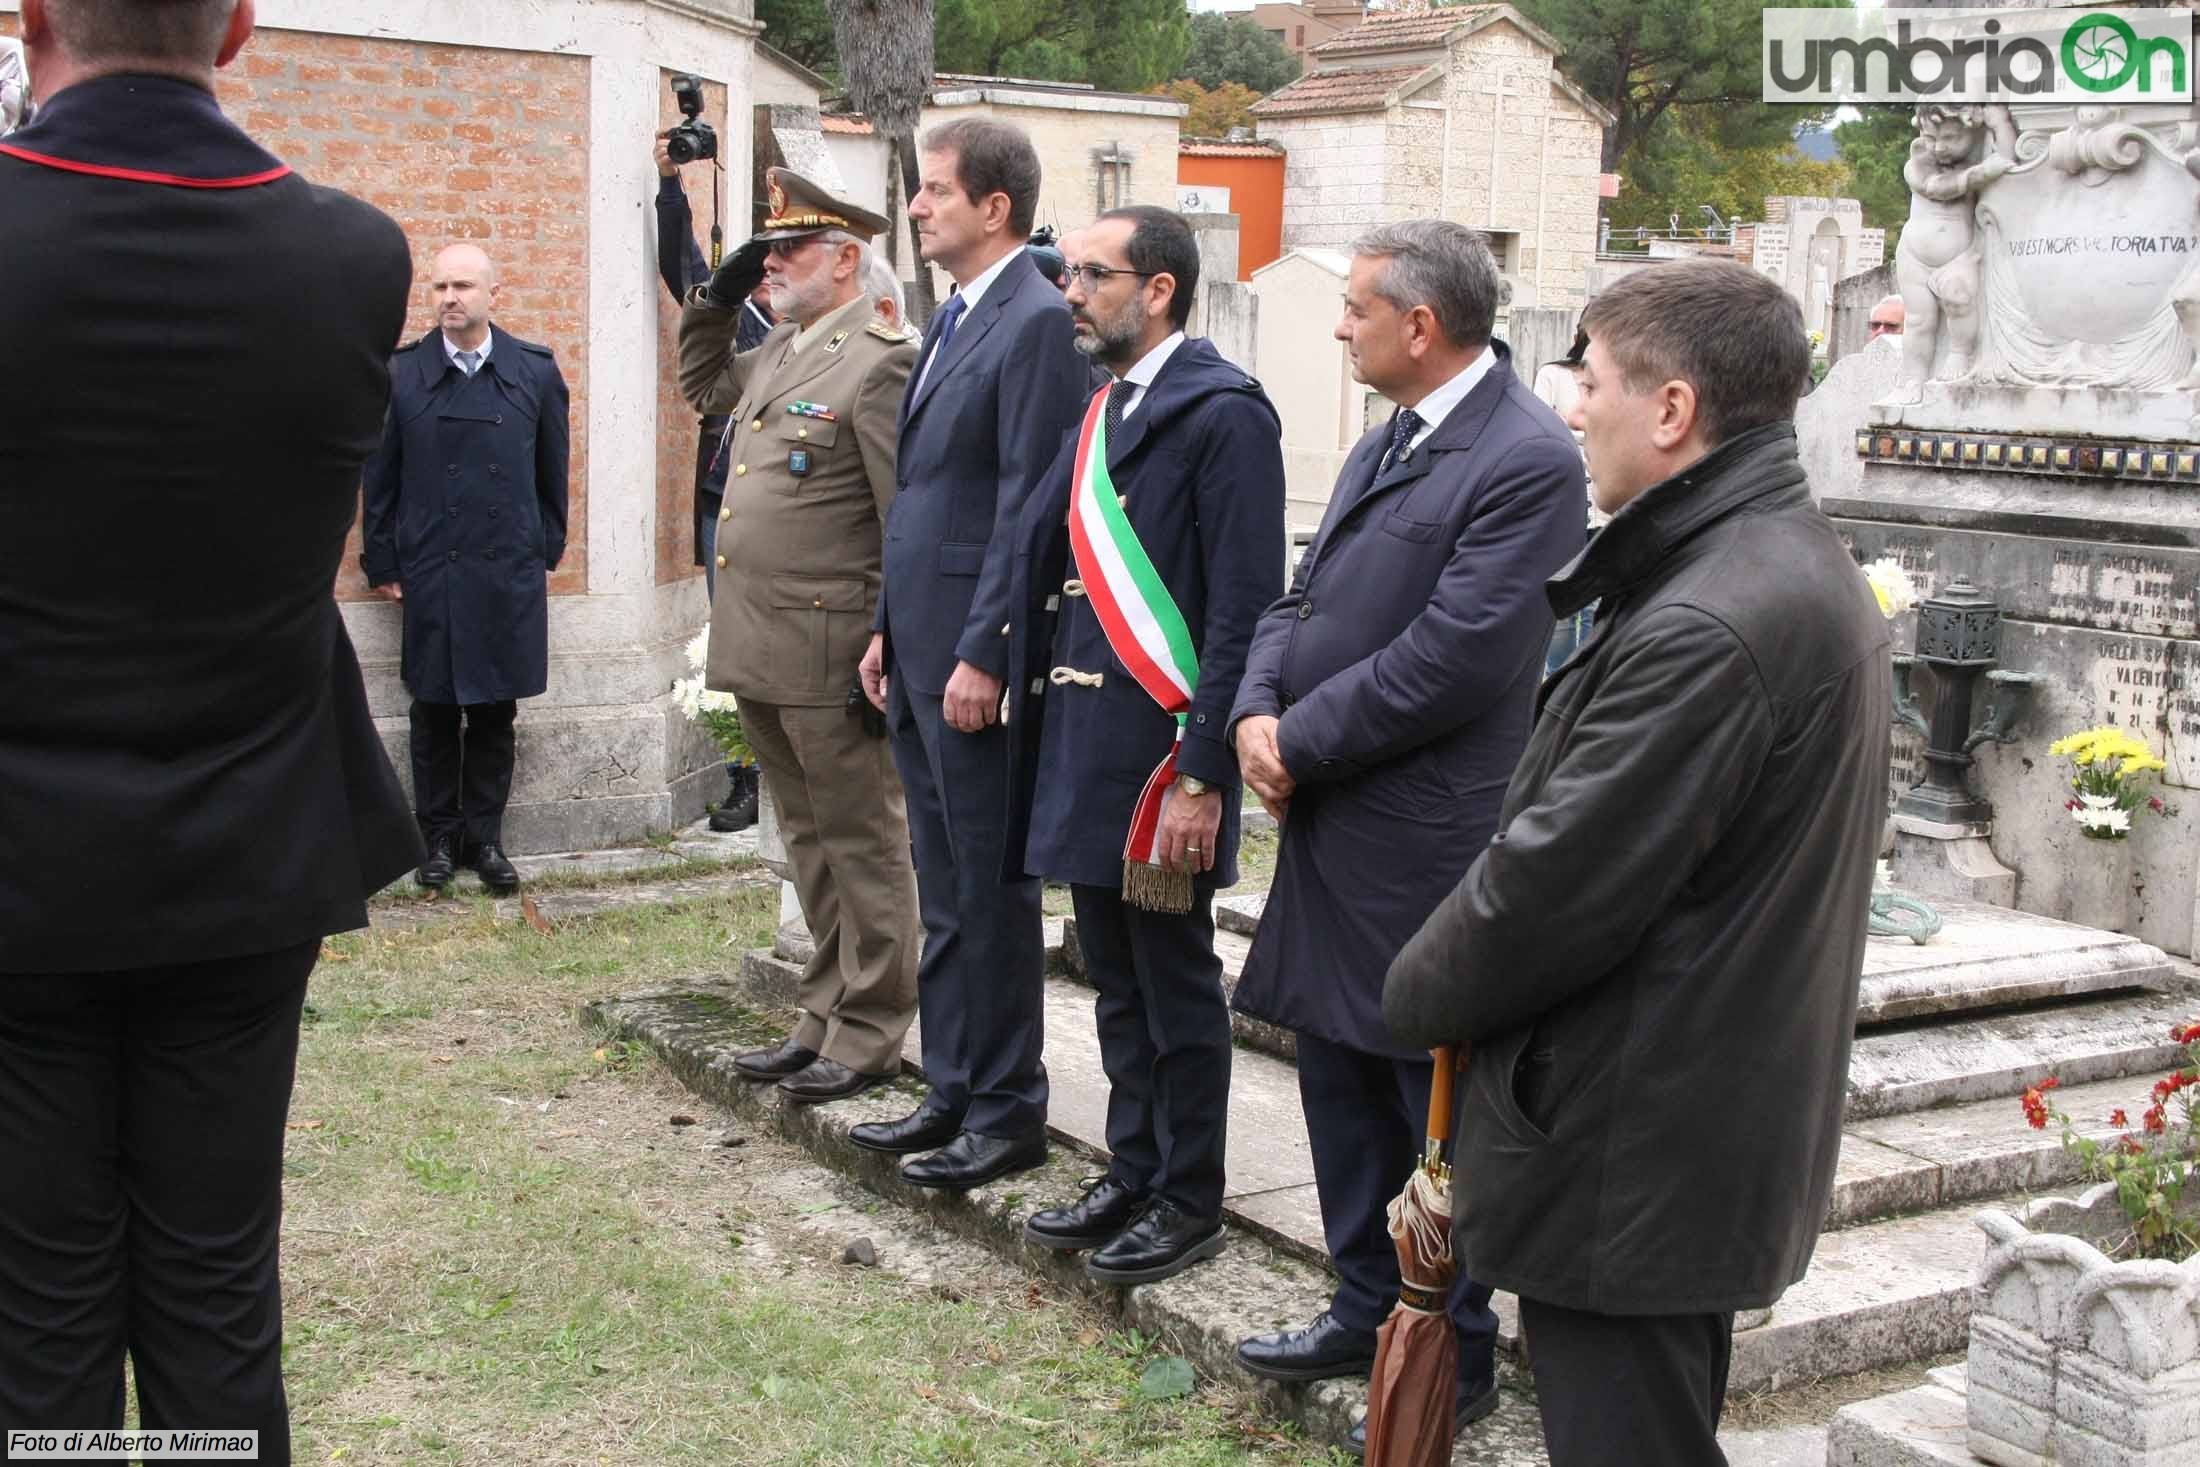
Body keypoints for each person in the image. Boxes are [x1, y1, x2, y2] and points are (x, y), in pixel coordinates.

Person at [1382, 258, 1892, 1467]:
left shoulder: (1716, 616)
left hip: (1637, 1136)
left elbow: (1555, 887)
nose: (1568, 406)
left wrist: (1409, 993)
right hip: (1674, 1118)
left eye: (1592, 377)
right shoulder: (1752, 563)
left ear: (1671, 411)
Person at [0, 0, 421, 1456]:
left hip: (18, 860)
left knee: (38, 1298)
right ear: (239, 29)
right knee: (212, 1275)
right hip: (245, 836)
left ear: (35, 16)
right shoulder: (353, 256)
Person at [1227, 220, 1586, 1455]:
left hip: (1423, 834)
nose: (1339, 326)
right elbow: (1300, 592)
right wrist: (1256, 712)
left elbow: (1459, 657)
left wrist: (1298, 739)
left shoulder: (1525, 458)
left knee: (1419, 1088)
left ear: (1419, 326)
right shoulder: (1395, 436)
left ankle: (1450, 1339)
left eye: (1357, 308)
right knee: (1332, 1066)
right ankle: (1358, 1302)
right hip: (1333, 812)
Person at [1006, 207, 1284, 1285]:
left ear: (1157, 289)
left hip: (1166, 761)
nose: (1068, 289)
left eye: (1091, 273)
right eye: (1070, 270)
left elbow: (1246, 611)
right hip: (1089, 745)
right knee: (1111, 975)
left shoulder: (1223, 418)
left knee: (1172, 981)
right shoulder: (1104, 408)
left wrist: (1205, 771)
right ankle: (1132, 1168)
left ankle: (1188, 1196)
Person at [851, 117, 1089, 1189]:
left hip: (975, 658)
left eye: (936, 190)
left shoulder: (1037, 322)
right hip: (920, 645)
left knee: (988, 891)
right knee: (939, 883)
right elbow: (929, 499)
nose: (916, 206)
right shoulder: (955, 315)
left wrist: (988, 648)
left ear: (995, 207)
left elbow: (1028, 501)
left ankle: (1005, 1110)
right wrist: (891, 631)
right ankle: (950, 1086)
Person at [675, 168, 923, 1103]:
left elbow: (903, 516)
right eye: (768, 249)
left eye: (790, 250)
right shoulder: (782, 346)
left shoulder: (881, 356)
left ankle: (870, 1029)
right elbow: (703, 385)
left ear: (847, 260)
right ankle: (824, 1008)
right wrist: (718, 296)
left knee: (861, 843)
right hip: (762, 641)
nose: (773, 262)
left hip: (831, 646)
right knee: (808, 844)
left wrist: (890, 636)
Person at [361, 242, 571, 896]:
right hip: (432, 567)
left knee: (491, 712)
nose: (449, 297)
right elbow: (381, 478)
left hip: (504, 569)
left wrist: (542, 550)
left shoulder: (533, 373)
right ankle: (438, 840)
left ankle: (486, 839)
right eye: (439, 287)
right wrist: (385, 559)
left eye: (462, 286)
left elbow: (553, 474)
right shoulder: (403, 376)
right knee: (433, 710)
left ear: (492, 294)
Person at [655, 130, 765, 832]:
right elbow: (687, 270)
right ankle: (746, 776)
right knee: (731, 637)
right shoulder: (744, 319)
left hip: (786, 511)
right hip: (722, 501)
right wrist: (672, 187)